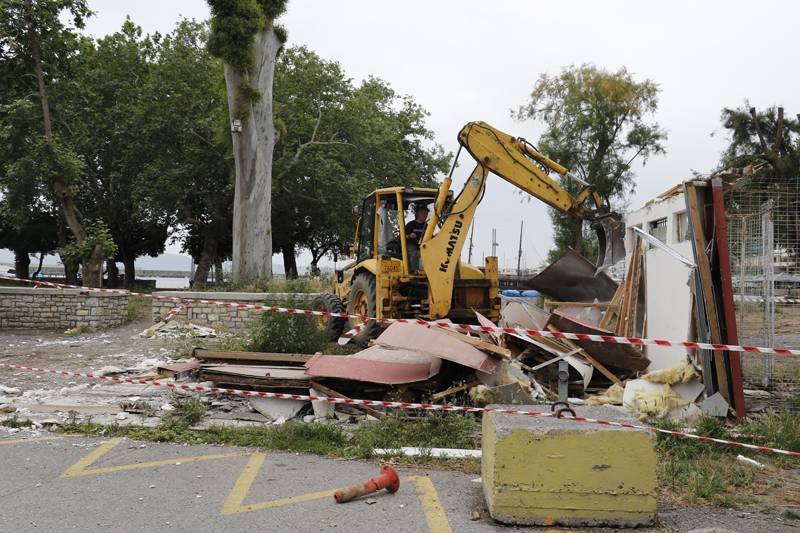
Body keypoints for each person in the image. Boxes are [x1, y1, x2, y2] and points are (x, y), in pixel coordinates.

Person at [405, 205, 429, 272]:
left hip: (423, 245)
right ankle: (414, 271)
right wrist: (410, 236)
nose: (426, 216)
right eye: (424, 214)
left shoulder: (426, 226)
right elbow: (402, 237)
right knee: (415, 253)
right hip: (411, 245)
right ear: (419, 213)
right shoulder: (411, 224)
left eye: (426, 214)